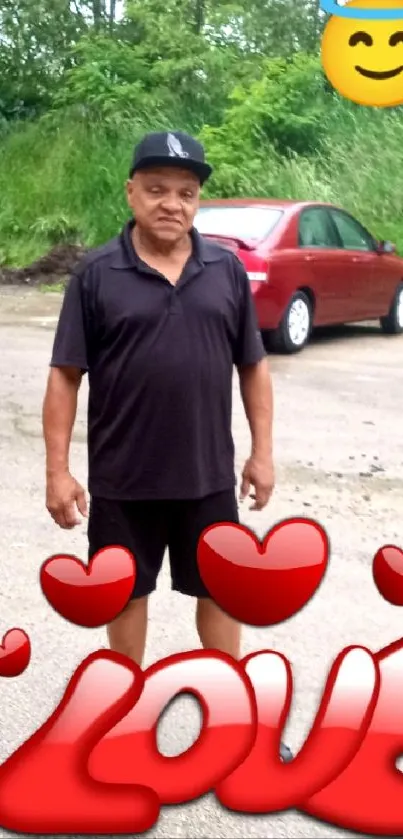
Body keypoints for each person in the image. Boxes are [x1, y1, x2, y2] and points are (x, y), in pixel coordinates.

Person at [43, 129, 274, 666]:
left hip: (207, 475)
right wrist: (58, 470)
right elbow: (65, 376)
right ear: (131, 193)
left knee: (219, 590)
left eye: (186, 192)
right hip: (124, 478)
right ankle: (127, 707)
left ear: (197, 200)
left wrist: (262, 453)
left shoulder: (226, 271)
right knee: (125, 593)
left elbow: (253, 366)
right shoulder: (96, 275)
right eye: (156, 189)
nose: (172, 203)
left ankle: (230, 708)